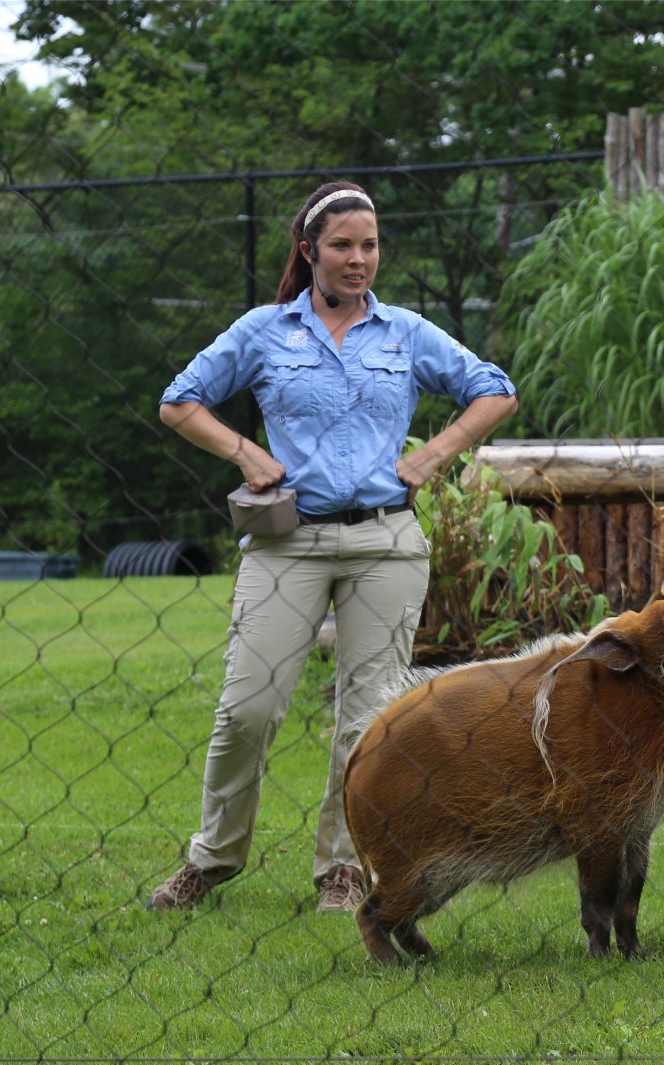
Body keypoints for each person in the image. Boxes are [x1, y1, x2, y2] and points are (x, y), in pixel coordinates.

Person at [148, 181, 518, 914]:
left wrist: (436, 453)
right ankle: (213, 858)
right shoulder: (263, 331)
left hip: (387, 543)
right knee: (247, 709)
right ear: (308, 250)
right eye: (343, 246)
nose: (358, 260)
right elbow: (179, 400)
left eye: (370, 246)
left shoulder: (406, 333)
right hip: (289, 544)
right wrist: (247, 453)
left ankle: (343, 870)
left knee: (372, 719)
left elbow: (496, 389)